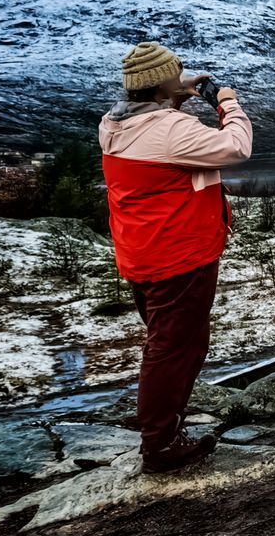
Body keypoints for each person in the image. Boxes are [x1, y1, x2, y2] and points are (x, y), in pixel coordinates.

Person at [99, 42, 253, 474]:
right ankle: (161, 444)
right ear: (161, 85)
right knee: (172, 349)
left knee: (176, 342)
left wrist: (173, 92)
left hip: (141, 252)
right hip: (180, 255)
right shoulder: (170, 131)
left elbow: (153, 121)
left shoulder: (111, 123)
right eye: (175, 74)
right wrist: (228, 103)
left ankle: (164, 426)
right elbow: (236, 148)